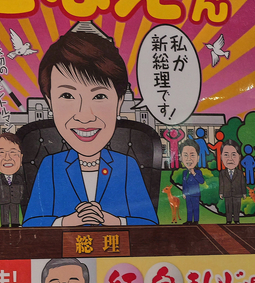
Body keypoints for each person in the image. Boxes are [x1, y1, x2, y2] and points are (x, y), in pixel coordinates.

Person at [22, 22, 158, 227]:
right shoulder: (51, 166)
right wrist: (66, 221)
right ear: (50, 102)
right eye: (67, 95)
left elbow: (149, 223)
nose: (85, 116)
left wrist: (115, 221)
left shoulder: (126, 166)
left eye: (100, 96)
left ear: (119, 101)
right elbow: (31, 223)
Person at [0, 131, 26, 227]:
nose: (7, 158)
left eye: (13, 152)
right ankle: (4, 224)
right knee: (4, 212)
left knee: (15, 212)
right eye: (1, 153)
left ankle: (15, 223)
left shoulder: (19, 177)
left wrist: (19, 197)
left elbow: (21, 189)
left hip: (15, 199)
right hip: (3, 200)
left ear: (21, 157)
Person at [217, 140, 246, 224]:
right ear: (221, 157)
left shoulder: (240, 173)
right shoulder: (222, 173)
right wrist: (221, 193)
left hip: (238, 193)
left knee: (237, 207)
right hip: (227, 193)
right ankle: (228, 220)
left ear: (239, 157)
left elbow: (242, 184)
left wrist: (244, 193)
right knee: (228, 207)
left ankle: (236, 220)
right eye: (226, 155)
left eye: (234, 155)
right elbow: (221, 184)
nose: (230, 159)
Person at [177, 142, 205, 223]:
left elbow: (201, 181)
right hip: (188, 194)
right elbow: (184, 184)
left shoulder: (198, 172)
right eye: (185, 155)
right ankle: (189, 221)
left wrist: (194, 173)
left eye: (192, 155)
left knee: (195, 208)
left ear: (198, 158)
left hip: (195, 194)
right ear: (181, 158)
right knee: (189, 208)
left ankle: (196, 221)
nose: (189, 159)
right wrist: (184, 193)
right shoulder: (185, 173)